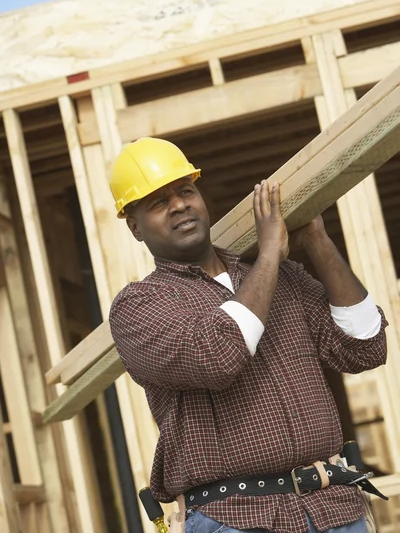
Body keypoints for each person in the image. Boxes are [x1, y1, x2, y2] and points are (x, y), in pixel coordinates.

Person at [108, 137, 387, 533]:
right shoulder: (140, 306)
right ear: (135, 227)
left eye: (185, 191)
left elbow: (366, 349)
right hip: (235, 518)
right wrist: (271, 251)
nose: (179, 205)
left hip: (334, 510)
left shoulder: (284, 278)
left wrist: (316, 240)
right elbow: (218, 357)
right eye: (158, 202)